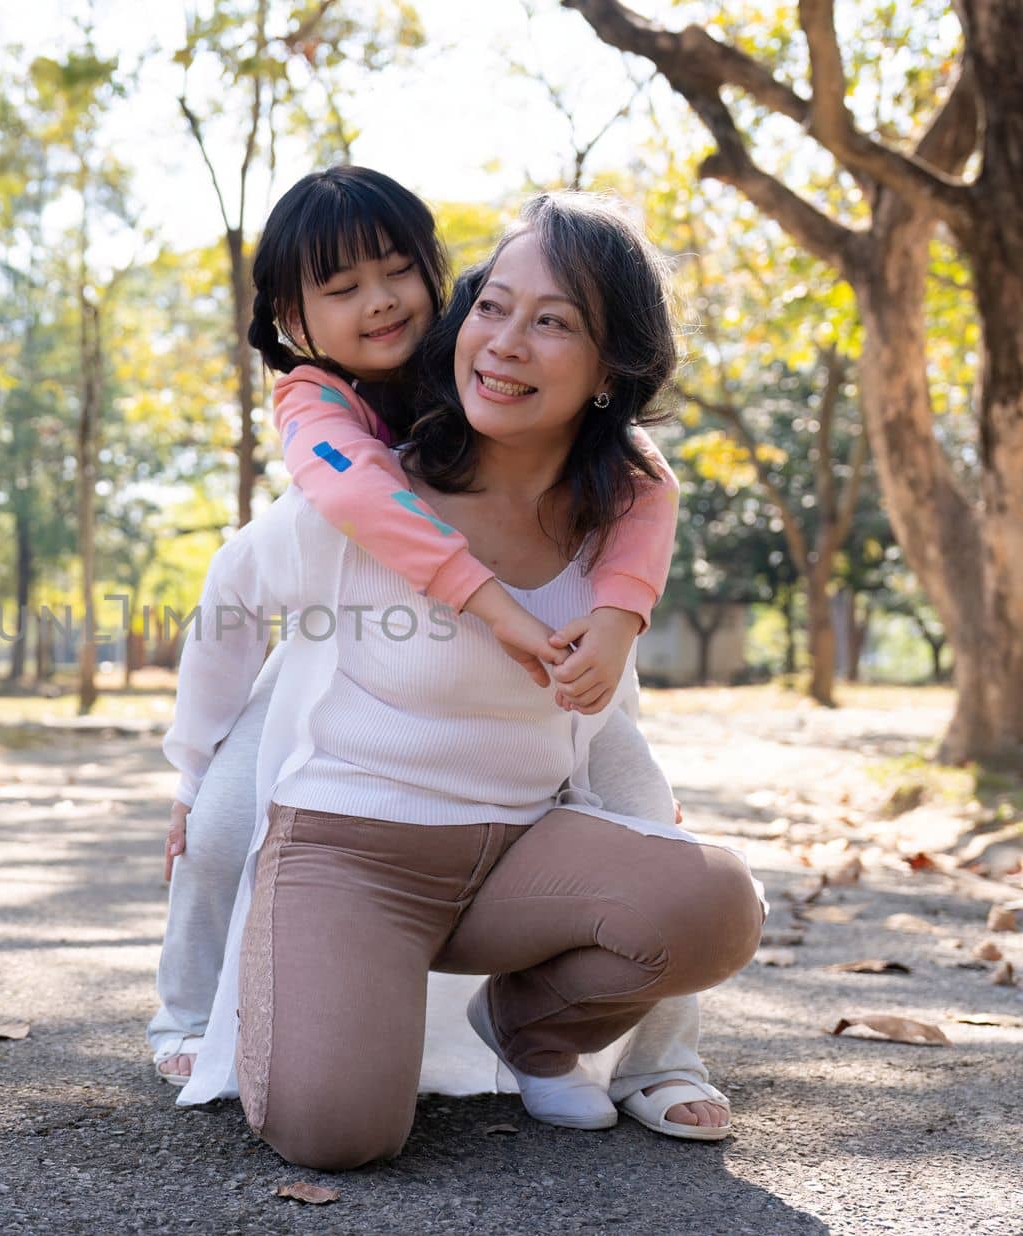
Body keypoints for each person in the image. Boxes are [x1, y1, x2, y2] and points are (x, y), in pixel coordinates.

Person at [161, 193, 764, 1170]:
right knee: (221, 822)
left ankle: (640, 1053)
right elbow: (257, 577)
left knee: (670, 841)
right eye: (497, 309)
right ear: (290, 319)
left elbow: (649, 483)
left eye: (552, 320)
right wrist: (188, 769)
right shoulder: (334, 437)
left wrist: (616, 616)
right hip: (349, 723)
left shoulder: (614, 481)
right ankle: (195, 1016)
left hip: (543, 748)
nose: (381, 305)